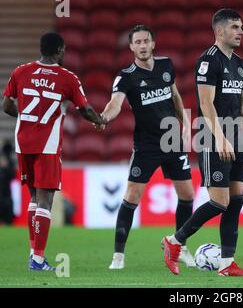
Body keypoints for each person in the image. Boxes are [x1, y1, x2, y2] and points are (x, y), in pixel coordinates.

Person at [162, 8, 243, 276]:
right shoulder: (208, 61)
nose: (241, 31)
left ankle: (227, 264)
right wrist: (220, 139)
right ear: (220, 31)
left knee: (237, 199)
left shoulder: (239, 64)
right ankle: (173, 241)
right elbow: (206, 104)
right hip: (213, 137)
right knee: (219, 202)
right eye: (235, 27)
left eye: (241, 27)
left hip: (236, 137)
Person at [2, 32, 106, 271]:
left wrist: (28, 117)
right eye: (64, 49)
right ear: (59, 50)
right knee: (46, 201)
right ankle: (38, 259)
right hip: (46, 145)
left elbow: (6, 105)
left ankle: (33, 254)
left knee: (34, 199)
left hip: (22, 143)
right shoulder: (67, 77)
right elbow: (85, 108)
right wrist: (100, 121)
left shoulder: (21, 71)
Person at [98, 25, 196, 270]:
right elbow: (115, 104)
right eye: (137, 42)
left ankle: (179, 246)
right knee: (132, 196)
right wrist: (104, 118)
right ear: (131, 47)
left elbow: (174, 96)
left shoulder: (166, 66)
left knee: (187, 195)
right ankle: (118, 256)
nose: (142, 46)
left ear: (153, 44)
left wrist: (184, 121)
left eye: (146, 41)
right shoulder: (126, 76)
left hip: (172, 139)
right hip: (147, 144)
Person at [0, 140, 16, 225]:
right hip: (5, 189)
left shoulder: (8, 160)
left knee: (6, 203)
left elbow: (12, 176)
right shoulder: (9, 160)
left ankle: (6, 221)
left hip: (6, 189)